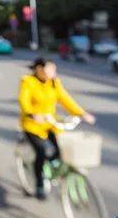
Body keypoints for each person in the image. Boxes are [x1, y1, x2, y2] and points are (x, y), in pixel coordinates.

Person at [18, 58, 96, 200]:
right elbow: (23, 100)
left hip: (51, 124)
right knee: (41, 152)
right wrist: (32, 114)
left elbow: (66, 99)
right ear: (39, 69)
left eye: (54, 70)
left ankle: (51, 170)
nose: (53, 73)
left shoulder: (54, 83)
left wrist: (82, 113)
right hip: (32, 125)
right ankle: (39, 183)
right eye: (50, 70)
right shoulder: (28, 81)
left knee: (60, 150)